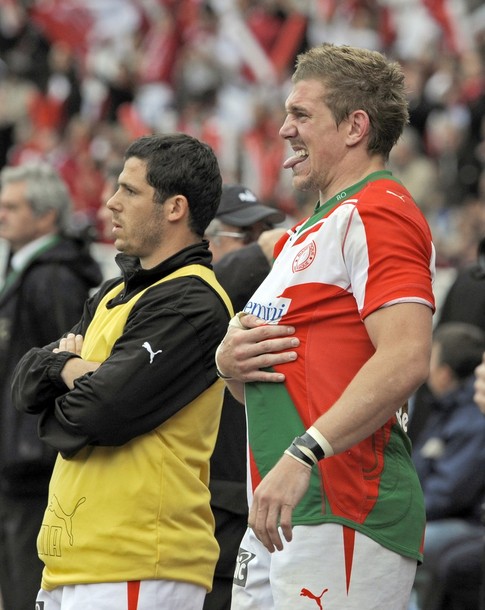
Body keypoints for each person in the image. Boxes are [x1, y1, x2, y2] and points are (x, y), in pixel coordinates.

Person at [215, 43, 436, 610]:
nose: (284, 129)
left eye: (301, 114)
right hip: (279, 507)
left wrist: (303, 454)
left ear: (356, 127)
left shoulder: (379, 209)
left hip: (341, 505)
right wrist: (229, 364)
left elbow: (407, 356)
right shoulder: (309, 229)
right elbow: (271, 383)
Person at [10, 133, 233, 610]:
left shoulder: (193, 299)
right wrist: (72, 368)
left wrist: (65, 377)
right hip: (75, 559)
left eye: (129, 190)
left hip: (139, 562)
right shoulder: (115, 291)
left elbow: (101, 413)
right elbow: (25, 383)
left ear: (175, 208)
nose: (110, 202)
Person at [0, 162, 103, 610]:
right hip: (17, 459)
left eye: (12, 207)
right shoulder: (27, 269)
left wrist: (37, 444)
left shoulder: (54, 276)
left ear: (46, 216)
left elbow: (69, 366)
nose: (1, 214)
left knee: (28, 585)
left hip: (34, 464)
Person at [204, 184, 285, 610]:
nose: (262, 243)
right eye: (246, 235)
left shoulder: (276, 303)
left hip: (267, 495)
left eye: (264, 232)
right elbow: (209, 290)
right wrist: (260, 253)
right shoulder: (193, 298)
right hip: (214, 502)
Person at [410, 322, 485, 610]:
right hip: (434, 513)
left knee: (403, 542)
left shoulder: (472, 419)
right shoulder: (446, 408)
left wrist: (403, 515)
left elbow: (449, 493)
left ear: (444, 373)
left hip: (464, 522)